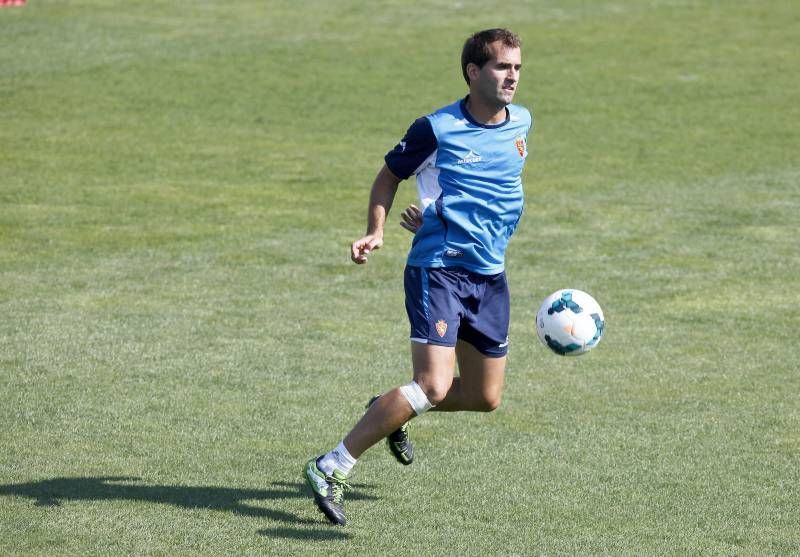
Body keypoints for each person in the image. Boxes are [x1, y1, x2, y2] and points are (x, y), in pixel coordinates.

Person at [304, 28, 532, 526]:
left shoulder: (523, 123)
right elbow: (390, 175)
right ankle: (331, 465)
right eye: (501, 66)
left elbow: (490, 191)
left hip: (489, 276)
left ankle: (386, 410)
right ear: (474, 73)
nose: (512, 75)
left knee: (484, 397)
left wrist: (441, 209)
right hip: (439, 270)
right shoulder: (436, 128)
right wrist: (377, 231)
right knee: (433, 384)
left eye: (517, 66)